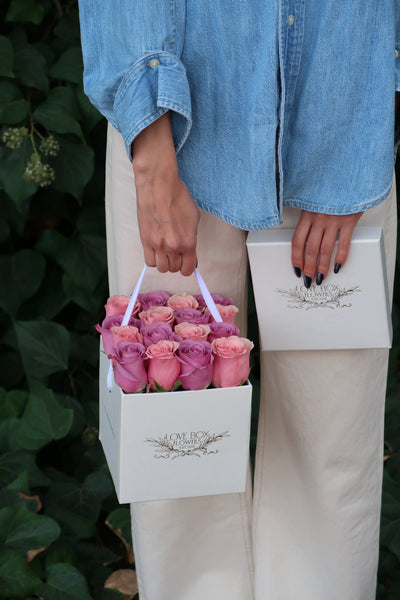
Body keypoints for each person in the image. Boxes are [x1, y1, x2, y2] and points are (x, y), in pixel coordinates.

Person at [78, 2, 399, 599]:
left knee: (332, 440)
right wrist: (150, 145)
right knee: (176, 445)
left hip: (343, 105)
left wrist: (355, 137)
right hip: (172, 128)